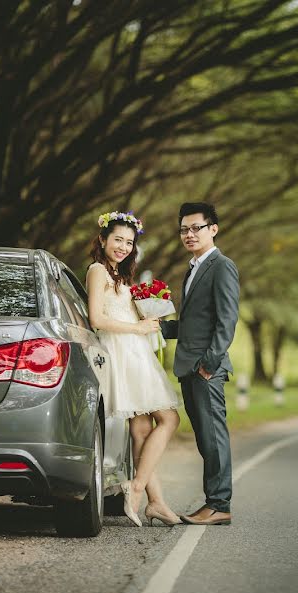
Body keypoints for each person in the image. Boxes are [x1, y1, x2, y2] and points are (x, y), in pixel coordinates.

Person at [85, 210, 182, 528]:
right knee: (169, 417)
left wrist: (148, 314)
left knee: (141, 430)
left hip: (135, 349)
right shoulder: (98, 270)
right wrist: (138, 328)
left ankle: (156, 503)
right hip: (123, 351)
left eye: (129, 242)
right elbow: (96, 320)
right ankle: (137, 486)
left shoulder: (119, 275)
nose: (123, 247)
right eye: (117, 240)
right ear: (103, 239)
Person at [160, 202, 239, 526]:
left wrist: (208, 364)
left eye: (196, 228)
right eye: (184, 229)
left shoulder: (221, 266)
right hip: (190, 367)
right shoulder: (193, 268)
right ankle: (214, 502)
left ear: (213, 229)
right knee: (205, 438)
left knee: (213, 437)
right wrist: (157, 327)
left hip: (205, 369)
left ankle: (219, 504)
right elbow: (194, 323)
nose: (189, 234)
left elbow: (227, 321)